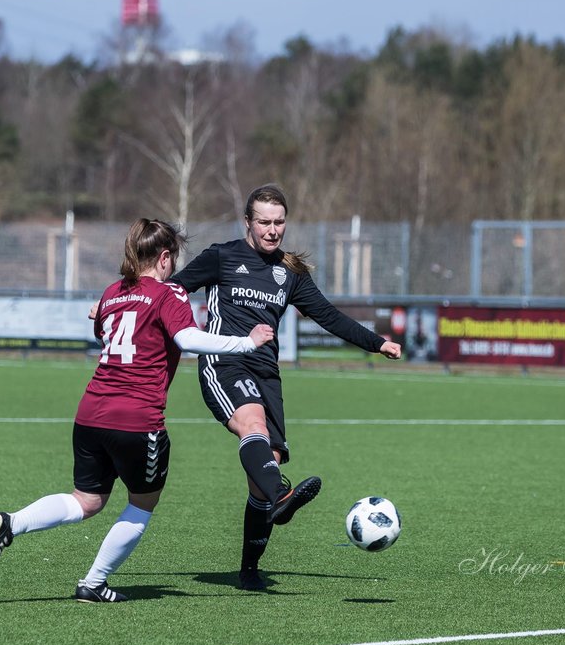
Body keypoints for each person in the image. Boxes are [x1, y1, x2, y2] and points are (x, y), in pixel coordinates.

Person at [0, 218, 275, 602]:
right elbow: (188, 338)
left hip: (90, 414)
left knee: (86, 500)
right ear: (165, 257)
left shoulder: (112, 292)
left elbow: (105, 331)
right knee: (141, 505)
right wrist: (246, 343)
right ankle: (93, 583)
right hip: (137, 419)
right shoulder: (170, 294)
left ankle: (13, 523)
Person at [171, 184, 403, 591]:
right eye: (264, 221)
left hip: (267, 373)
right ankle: (279, 492)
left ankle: (248, 570)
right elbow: (171, 288)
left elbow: (329, 316)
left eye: (279, 222)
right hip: (224, 361)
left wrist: (377, 343)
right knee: (254, 427)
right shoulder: (221, 257)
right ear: (248, 222)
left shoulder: (289, 273)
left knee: (264, 471)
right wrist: (114, 301)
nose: (272, 229)